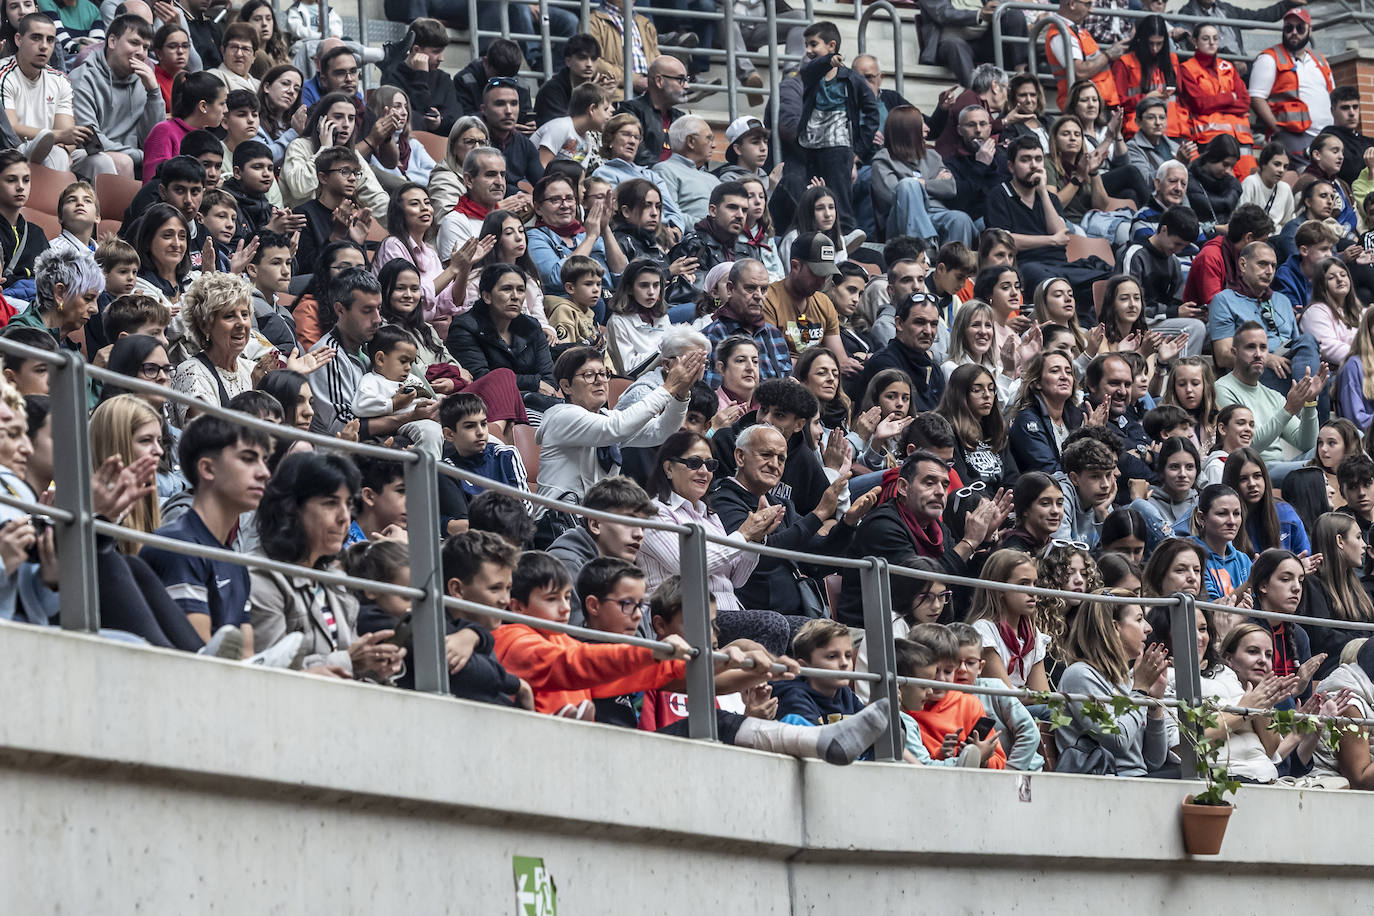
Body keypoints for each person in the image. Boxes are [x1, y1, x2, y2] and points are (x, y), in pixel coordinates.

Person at [248, 452, 405, 680]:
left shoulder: (332, 577)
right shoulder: (261, 578)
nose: (344, 517)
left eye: (348, 504)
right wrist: (349, 661)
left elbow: (347, 663)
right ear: (291, 507)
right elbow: (267, 672)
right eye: (331, 503)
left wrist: (375, 666)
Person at [835, 449, 1011, 627]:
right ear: (903, 487)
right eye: (929, 483)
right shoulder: (882, 526)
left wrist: (985, 540)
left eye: (944, 485)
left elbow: (961, 586)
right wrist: (969, 542)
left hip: (926, 631)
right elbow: (920, 588)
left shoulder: (939, 529)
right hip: (874, 635)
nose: (941, 492)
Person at [139, 414, 270, 649]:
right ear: (208, 469)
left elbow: (246, 655)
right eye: (249, 459)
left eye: (264, 460)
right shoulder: (177, 546)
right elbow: (201, 660)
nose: (264, 473)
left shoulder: (235, 562)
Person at [535, 344, 702, 504]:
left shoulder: (608, 417)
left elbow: (662, 431)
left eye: (603, 373)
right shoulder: (562, 417)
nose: (600, 380)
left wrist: (681, 394)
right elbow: (616, 428)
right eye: (589, 375)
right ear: (566, 386)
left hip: (595, 521)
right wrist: (668, 387)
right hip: (557, 524)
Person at [1055, 590, 1171, 776]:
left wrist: (1154, 704)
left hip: (1135, 781)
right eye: (1139, 619)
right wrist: (1140, 692)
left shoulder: (1127, 679)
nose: (1148, 628)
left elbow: (1154, 761)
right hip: (1105, 782)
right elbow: (1118, 741)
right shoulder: (1079, 676)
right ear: (1115, 627)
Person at [789, 23, 878, 235]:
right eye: (806, 45)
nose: (808, 50)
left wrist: (858, 151)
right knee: (808, 196)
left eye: (813, 44)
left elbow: (871, 113)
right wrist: (826, 61)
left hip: (838, 147)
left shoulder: (851, 78)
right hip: (808, 147)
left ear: (831, 45)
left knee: (839, 197)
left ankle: (845, 236)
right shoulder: (810, 75)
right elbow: (808, 70)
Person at [1214, 322, 1322, 467]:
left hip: (1280, 466)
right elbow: (1245, 447)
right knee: (1316, 467)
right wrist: (1288, 410)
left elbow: (1306, 444)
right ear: (1234, 353)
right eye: (1250, 347)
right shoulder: (1222, 388)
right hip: (1251, 469)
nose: (1258, 354)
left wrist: (1309, 403)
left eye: (1263, 348)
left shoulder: (1273, 396)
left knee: (1344, 444)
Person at [1209, 243, 1319, 384]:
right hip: (1253, 371)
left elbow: (1300, 347)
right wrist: (1266, 359)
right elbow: (1223, 356)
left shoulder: (1282, 300)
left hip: (1288, 368)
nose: (1269, 271)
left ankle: (1305, 394)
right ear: (1243, 265)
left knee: (1311, 348)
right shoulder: (1224, 300)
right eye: (1262, 264)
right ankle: (1306, 397)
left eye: (1273, 266)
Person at [69, 14, 161, 180]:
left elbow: (155, 138)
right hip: (90, 157)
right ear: (112, 42)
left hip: (134, 158)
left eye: (146, 47)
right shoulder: (83, 78)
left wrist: (154, 92)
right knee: (123, 162)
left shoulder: (144, 80)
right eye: (134, 43)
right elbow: (90, 140)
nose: (141, 52)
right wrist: (140, 156)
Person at [869, 105, 974, 250]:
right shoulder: (883, 160)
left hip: (935, 213)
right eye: (921, 124)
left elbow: (950, 188)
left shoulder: (932, 156)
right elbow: (892, 195)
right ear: (906, 130)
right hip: (901, 221)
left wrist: (923, 184)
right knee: (907, 185)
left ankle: (955, 266)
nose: (928, 129)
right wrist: (929, 184)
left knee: (960, 219)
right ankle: (924, 247)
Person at [280, 92, 390, 218]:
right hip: (302, 227)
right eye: (338, 117)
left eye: (351, 118)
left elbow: (374, 196)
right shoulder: (299, 146)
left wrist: (401, 216)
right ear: (321, 121)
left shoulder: (352, 154)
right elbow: (299, 188)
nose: (346, 124)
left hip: (337, 227)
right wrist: (324, 149)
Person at [1249, 9, 1333, 159]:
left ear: (1310, 30)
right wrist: (1277, 130)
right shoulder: (1269, 58)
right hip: (1292, 135)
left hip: (1326, 135)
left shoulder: (1320, 60)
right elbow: (1256, 97)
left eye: (1300, 28)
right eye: (1289, 28)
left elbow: (1332, 95)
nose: (1294, 32)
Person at [1301, 512, 1374, 678]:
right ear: (1340, 541)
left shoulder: (1358, 587)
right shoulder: (1312, 585)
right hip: (1332, 672)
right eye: (1358, 537)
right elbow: (1324, 638)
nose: (1364, 545)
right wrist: (1365, 645)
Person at [856, 292, 945, 415]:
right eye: (920, 322)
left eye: (933, 324)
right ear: (899, 324)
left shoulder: (934, 369)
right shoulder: (884, 363)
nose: (928, 331)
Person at [1178, 23, 1251, 158]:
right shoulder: (1186, 69)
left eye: (1215, 38)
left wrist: (1215, 105)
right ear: (1195, 41)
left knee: (1249, 176)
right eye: (1206, 39)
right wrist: (1230, 98)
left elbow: (1245, 103)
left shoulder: (1228, 66)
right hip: (1209, 139)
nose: (1212, 43)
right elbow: (1199, 105)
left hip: (1240, 138)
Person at [7, 246, 101, 349]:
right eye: (87, 298)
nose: (95, 309)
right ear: (60, 294)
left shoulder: (64, 343)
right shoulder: (22, 338)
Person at [1182, 203, 1274, 307]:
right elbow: (1216, 306)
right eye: (1263, 241)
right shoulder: (1210, 257)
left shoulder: (1246, 257)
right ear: (1248, 238)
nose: (1264, 246)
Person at [1008, 350, 1085, 474]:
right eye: (1055, 371)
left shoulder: (1078, 416)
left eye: (1069, 372)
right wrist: (1086, 439)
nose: (1064, 376)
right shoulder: (1027, 420)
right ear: (1037, 382)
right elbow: (1048, 470)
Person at [1043, 0, 1126, 113]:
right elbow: (1080, 71)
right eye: (1088, 4)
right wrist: (1108, 54)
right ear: (1072, 4)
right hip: (1084, 106)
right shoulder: (1060, 33)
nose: (1091, 10)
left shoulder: (1075, 30)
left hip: (1097, 103)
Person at [1187, 135, 1242, 234]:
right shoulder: (1189, 180)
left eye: (1232, 166)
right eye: (1225, 165)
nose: (1229, 171)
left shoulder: (1232, 184)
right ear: (1212, 158)